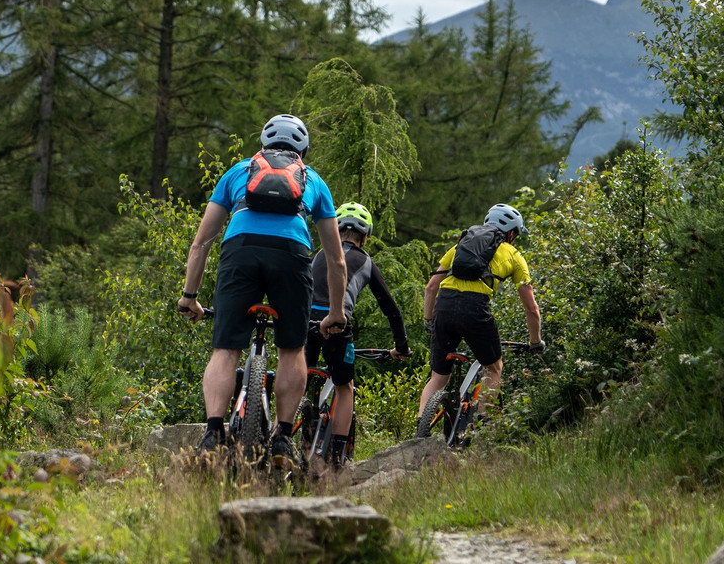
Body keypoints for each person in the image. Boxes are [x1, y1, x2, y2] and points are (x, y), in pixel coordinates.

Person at [178, 114, 347, 469]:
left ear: (263, 145)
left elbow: (200, 243)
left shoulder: (238, 172)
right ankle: (283, 439)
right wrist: (335, 313)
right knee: (292, 349)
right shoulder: (313, 180)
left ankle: (212, 434)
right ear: (303, 150)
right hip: (292, 255)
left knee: (226, 349)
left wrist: (190, 296)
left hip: (240, 252)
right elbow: (336, 260)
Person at [417, 203, 545, 425]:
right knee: (493, 367)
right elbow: (531, 308)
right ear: (512, 233)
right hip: (474, 309)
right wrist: (535, 341)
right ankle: (482, 425)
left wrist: (429, 320)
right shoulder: (513, 255)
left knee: (438, 377)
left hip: (444, 306)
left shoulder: (460, 247)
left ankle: (421, 428)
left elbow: (430, 288)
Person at [306, 202, 411, 468]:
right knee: (345, 387)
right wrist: (401, 346)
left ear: (336, 230)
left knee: (297, 378)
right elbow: (391, 310)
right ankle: (339, 459)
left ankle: (286, 433)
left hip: (304, 322)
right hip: (335, 325)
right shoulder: (365, 260)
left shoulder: (319, 255)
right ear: (364, 236)